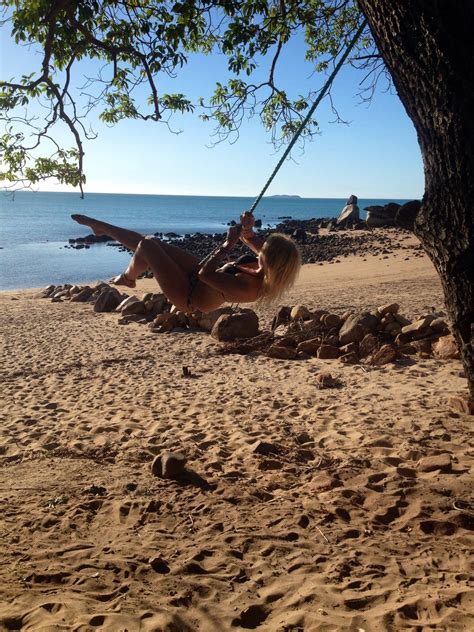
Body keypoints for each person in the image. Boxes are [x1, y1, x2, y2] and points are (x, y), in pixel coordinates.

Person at [71, 212, 301, 313]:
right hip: (199, 274)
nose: (262, 246)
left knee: (149, 245)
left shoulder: (249, 287)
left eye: (267, 247)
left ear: (272, 259)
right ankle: (102, 228)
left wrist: (227, 246)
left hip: (189, 295)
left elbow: (205, 275)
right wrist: (247, 227)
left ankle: (129, 278)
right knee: (150, 243)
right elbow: (249, 237)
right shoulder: (266, 262)